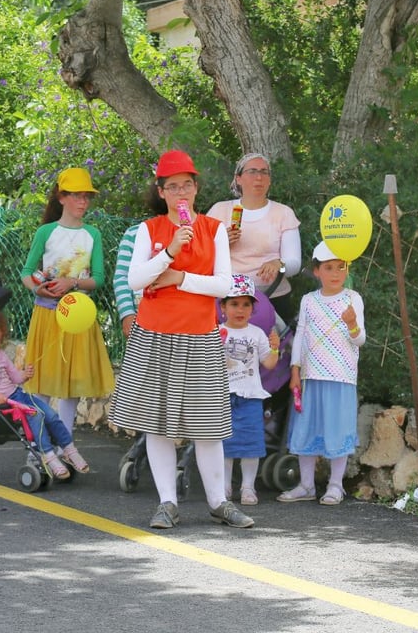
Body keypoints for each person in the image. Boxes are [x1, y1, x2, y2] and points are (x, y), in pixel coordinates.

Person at [108, 150, 254, 530]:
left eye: (186, 185)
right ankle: (167, 503)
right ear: (161, 192)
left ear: (196, 187)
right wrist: (169, 252)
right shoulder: (149, 230)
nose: (181, 193)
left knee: (207, 425)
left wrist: (179, 279)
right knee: (155, 423)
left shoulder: (214, 229)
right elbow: (133, 280)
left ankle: (219, 502)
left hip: (200, 334)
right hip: (154, 334)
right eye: (172, 187)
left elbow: (224, 284)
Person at [19, 167, 115, 435]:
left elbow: (98, 279)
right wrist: (38, 290)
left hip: (78, 318)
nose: (83, 202)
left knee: (73, 385)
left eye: (86, 196)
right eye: (76, 196)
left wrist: (72, 283)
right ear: (61, 198)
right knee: (42, 384)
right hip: (47, 314)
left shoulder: (92, 235)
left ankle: (65, 442)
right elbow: (27, 273)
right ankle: (39, 445)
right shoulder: (46, 232)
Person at [277, 241, 366, 506]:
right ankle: (306, 485)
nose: (336, 273)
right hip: (310, 376)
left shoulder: (353, 299)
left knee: (337, 429)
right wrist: (295, 370)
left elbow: (360, 340)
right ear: (317, 271)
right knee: (307, 429)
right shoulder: (309, 301)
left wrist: (352, 324)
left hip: (341, 376)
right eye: (329, 268)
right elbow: (300, 335)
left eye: (341, 267)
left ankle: (335, 485)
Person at [0, 308, 89, 478]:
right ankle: (48, 455)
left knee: (51, 414)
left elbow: (14, 377)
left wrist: (25, 375)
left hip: (17, 395)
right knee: (36, 415)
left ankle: (69, 449)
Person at [206, 153, 301, 323]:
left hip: (273, 296)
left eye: (264, 172)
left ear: (270, 180)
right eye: (252, 171)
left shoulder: (283, 213)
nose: (259, 177)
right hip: (229, 298)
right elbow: (200, 256)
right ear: (238, 179)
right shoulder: (219, 210)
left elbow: (294, 263)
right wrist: (220, 243)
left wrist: (279, 264)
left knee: (273, 348)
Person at [220, 274, 281, 506]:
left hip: (251, 398)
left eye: (246, 304)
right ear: (223, 306)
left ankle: (247, 487)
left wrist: (274, 349)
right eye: (234, 303)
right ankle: (224, 487)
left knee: (250, 445)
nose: (240, 309)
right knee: (224, 445)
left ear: (252, 308)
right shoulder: (217, 332)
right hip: (224, 397)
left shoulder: (256, 334)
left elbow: (268, 363)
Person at [112, 221, 142, 337]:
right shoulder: (134, 233)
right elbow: (122, 276)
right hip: (141, 321)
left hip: (186, 320)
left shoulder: (193, 231)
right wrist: (127, 314)